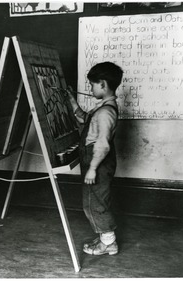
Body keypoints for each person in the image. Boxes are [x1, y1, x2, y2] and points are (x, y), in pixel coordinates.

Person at [67, 62, 123, 256]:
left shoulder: (106, 112)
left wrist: (92, 168)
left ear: (103, 84)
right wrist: (72, 102)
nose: (90, 88)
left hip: (98, 162)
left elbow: (103, 144)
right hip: (97, 161)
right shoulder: (103, 108)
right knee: (95, 200)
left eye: (92, 84)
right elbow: (85, 120)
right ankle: (104, 237)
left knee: (95, 203)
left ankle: (109, 243)